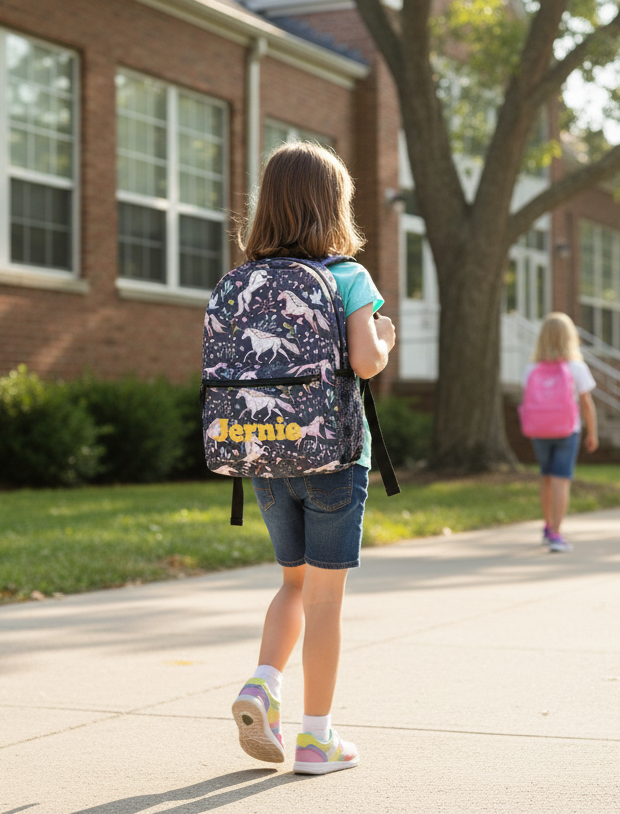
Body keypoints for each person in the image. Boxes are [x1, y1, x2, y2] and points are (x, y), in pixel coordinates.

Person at [230, 142, 394, 774]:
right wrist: (382, 334)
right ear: (335, 208)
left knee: (291, 583)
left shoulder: (248, 280)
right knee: (326, 599)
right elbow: (364, 363)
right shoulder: (348, 277)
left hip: (266, 458)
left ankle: (261, 683)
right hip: (333, 458)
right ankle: (315, 738)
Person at [520, 312, 598, 553]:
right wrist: (592, 432)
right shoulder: (576, 367)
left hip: (539, 431)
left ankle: (547, 527)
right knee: (561, 480)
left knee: (545, 477)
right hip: (567, 430)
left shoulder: (532, 367)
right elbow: (586, 403)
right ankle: (556, 532)